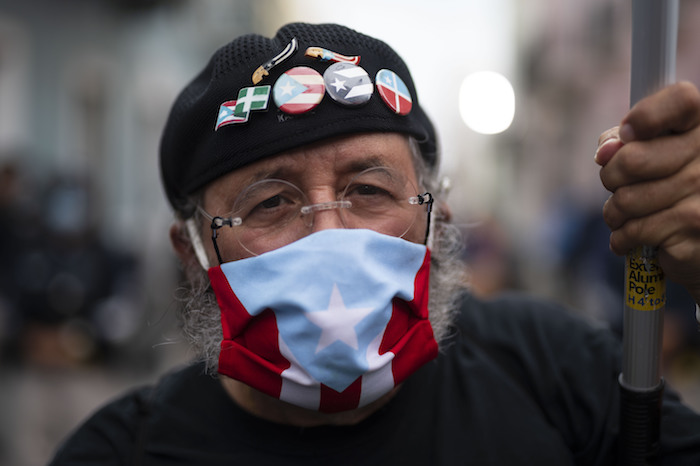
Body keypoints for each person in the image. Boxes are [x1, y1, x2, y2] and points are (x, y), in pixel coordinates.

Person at [49, 22, 700, 465]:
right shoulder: (121, 452)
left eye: (369, 190)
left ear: (437, 218)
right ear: (193, 254)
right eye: (271, 203)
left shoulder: (556, 372)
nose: (330, 235)